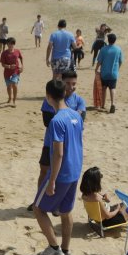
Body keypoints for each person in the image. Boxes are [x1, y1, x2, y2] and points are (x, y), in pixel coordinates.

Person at [34, 79, 83, 255]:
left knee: (38, 209)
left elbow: (58, 153)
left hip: (61, 173)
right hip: (75, 169)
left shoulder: (56, 121)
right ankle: (66, 250)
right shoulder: (76, 115)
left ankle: (54, 247)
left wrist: (52, 180)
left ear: (48, 97)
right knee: (66, 211)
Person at [30, 70, 86, 212]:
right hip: (49, 143)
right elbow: (47, 121)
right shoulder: (51, 98)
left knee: (59, 176)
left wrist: (62, 117)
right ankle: (39, 198)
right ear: (62, 82)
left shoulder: (79, 100)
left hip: (66, 147)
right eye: (68, 83)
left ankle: (54, 204)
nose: (71, 87)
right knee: (44, 171)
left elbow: (82, 118)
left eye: (74, 84)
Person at [95, 33, 123, 114]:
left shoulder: (103, 49)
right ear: (115, 40)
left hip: (104, 73)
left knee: (104, 88)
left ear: (108, 40)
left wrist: (96, 69)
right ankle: (112, 104)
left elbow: (99, 61)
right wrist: (117, 69)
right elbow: (120, 61)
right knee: (112, 88)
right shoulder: (118, 49)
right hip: (114, 73)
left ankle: (103, 104)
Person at [0, 37, 23, 106]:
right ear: (7, 44)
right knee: (9, 86)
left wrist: (22, 66)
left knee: (15, 85)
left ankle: (14, 100)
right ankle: (10, 97)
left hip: (16, 72)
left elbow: (21, 58)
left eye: (12, 44)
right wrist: (9, 66)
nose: (10, 45)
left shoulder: (17, 51)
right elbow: (2, 64)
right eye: (9, 43)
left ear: (14, 44)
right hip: (7, 72)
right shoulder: (4, 53)